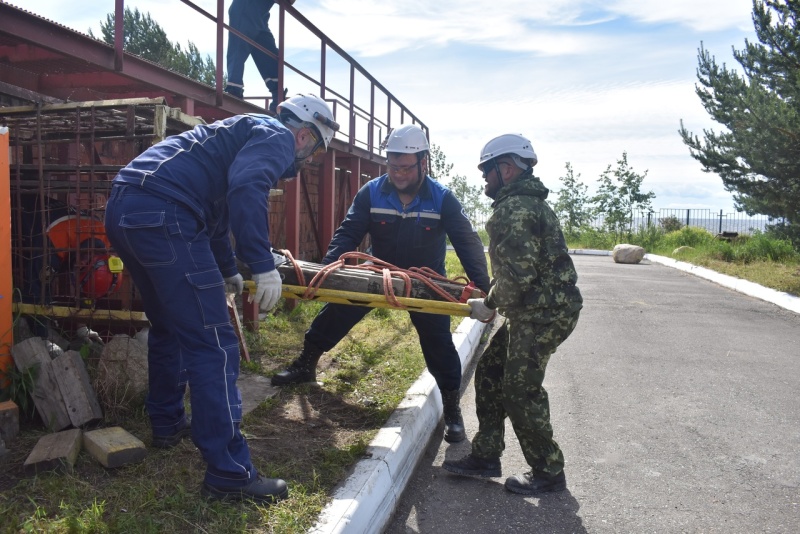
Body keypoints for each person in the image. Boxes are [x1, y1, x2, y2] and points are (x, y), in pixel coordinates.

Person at [104, 94, 338, 504]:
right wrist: (261, 263)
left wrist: (229, 268)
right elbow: (246, 189)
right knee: (214, 343)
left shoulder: (234, 137)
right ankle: (229, 473)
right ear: (303, 135)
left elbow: (216, 212)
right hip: (165, 213)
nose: (307, 159)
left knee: (169, 327)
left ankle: (167, 422)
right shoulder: (276, 137)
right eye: (315, 149)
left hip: (127, 207)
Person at [270, 124, 491, 444]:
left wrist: (483, 287)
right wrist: (329, 270)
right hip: (379, 271)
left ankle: (452, 408)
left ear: (423, 163)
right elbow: (348, 233)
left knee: (437, 338)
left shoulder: (442, 199)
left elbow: (468, 244)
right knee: (339, 310)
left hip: (425, 279)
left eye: (404, 167)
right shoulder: (371, 192)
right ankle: (306, 363)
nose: (398, 173)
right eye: (392, 166)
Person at [442, 133, 583, 495]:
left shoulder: (514, 208)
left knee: (520, 389)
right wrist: (494, 300)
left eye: (488, 172)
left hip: (544, 313)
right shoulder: (524, 202)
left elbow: (516, 276)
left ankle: (548, 470)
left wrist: (488, 304)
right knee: (490, 372)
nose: (484, 179)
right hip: (535, 309)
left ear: (506, 169)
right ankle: (487, 455)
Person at [224, 0, 296, 112]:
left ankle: (278, 95)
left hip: (261, 17)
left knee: (271, 54)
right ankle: (234, 91)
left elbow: (290, 1)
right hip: (243, 10)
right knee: (238, 49)